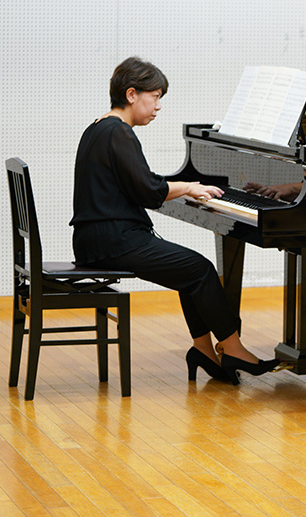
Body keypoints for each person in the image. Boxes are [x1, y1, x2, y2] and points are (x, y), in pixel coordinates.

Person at [70, 56, 280, 385]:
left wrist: (181, 188)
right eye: (154, 97)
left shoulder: (98, 127)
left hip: (97, 238)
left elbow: (139, 185)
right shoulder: (119, 133)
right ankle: (234, 348)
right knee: (201, 269)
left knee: (188, 272)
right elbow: (148, 191)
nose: (158, 106)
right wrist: (188, 188)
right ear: (131, 95)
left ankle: (203, 350)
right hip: (113, 241)